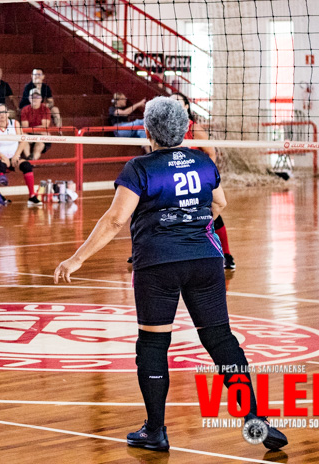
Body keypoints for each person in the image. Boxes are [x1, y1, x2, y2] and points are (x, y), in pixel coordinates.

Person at [54, 97, 288, 453]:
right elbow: (220, 203)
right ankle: (256, 418)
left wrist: (77, 258)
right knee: (221, 340)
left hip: (158, 264)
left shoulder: (138, 168)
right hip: (205, 260)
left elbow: (115, 220)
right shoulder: (204, 162)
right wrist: (191, 223)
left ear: (148, 131)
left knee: (153, 344)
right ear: (186, 129)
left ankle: (155, 431)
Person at [172, 92, 236, 270]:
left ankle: (226, 254)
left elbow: (211, 153)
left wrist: (207, 175)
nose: (174, 104)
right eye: (171, 102)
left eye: (178, 101)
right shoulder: (167, 128)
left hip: (197, 179)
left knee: (211, 211)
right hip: (176, 181)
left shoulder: (194, 129)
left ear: (186, 106)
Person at [0, 103, 40, 206]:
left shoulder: (15, 124)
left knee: (27, 166)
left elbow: (23, 140)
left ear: (8, 113)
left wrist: (16, 155)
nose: (2, 115)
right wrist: (2, 156)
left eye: (4, 112)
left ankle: (32, 196)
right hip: (0, 158)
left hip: (14, 158)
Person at [20, 88, 51, 161]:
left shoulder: (45, 109)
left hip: (39, 135)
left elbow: (45, 126)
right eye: (32, 97)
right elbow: (25, 127)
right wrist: (37, 130)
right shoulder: (25, 109)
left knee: (40, 144)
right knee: (24, 138)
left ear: (41, 98)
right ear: (29, 98)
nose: (35, 99)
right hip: (31, 134)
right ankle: (29, 159)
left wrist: (31, 129)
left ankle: (32, 161)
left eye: (37, 97)